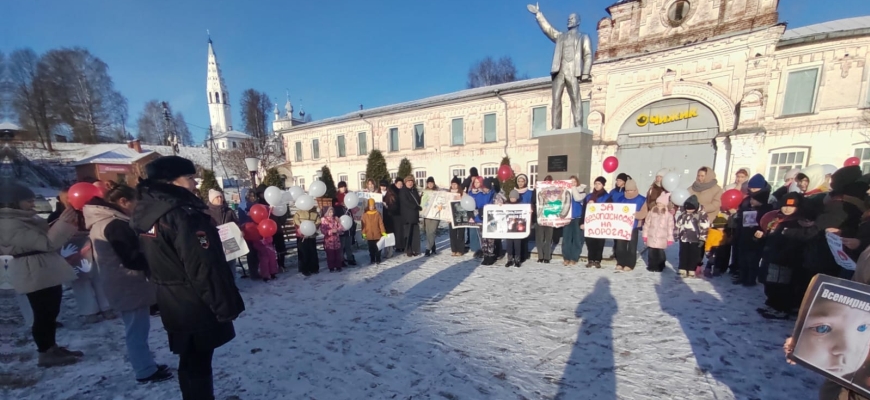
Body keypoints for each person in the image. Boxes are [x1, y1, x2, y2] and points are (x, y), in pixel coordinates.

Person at [130, 156, 244, 400]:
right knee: (198, 362)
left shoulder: (147, 211)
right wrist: (224, 305)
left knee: (191, 359)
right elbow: (203, 266)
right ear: (171, 182)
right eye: (190, 178)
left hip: (172, 298)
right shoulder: (182, 215)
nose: (195, 184)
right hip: (194, 301)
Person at [83, 182, 171, 383]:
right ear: (123, 201)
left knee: (137, 328)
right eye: (135, 202)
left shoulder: (103, 221)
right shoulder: (115, 224)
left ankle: (146, 364)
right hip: (128, 282)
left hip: (121, 281)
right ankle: (145, 370)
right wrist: (155, 259)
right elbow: (131, 258)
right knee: (136, 330)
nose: (137, 207)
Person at [3, 181, 83, 367]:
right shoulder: (8, 224)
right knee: (42, 313)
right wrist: (63, 223)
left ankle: (52, 347)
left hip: (42, 267)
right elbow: (46, 243)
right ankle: (45, 352)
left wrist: (62, 224)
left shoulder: (25, 219)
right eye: (28, 201)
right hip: (32, 269)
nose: (33, 203)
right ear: (13, 202)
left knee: (51, 311)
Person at [756, 193, 817, 319]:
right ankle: (772, 303)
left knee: (782, 286)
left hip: (786, 260)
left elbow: (798, 241)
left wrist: (784, 254)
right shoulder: (776, 219)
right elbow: (771, 236)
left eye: (791, 206)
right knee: (771, 283)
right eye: (785, 206)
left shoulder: (800, 222)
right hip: (772, 256)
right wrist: (763, 236)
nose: (787, 209)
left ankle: (781, 308)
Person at [735, 174, 775, 286]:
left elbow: (770, 218)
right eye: (751, 188)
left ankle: (751, 279)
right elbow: (741, 212)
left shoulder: (769, 201)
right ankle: (742, 276)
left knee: (752, 259)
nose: (752, 190)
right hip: (744, 233)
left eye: (755, 188)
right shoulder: (747, 200)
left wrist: (762, 230)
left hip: (757, 235)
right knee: (742, 258)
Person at [614, 179, 646, 271]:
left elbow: (644, 213)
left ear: (635, 189)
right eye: (627, 190)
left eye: (631, 190)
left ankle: (630, 264)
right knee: (620, 245)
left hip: (634, 225)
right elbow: (616, 210)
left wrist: (634, 214)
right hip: (622, 225)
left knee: (632, 246)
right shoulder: (621, 199)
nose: (629, 192)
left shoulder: (642, 199)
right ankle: (620, 262)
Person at [674, 195, 709, 278]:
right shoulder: (683, 214)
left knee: (693, 255)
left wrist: (702, 238)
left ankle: (691, 269)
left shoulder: (701, 215)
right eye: (687, 209)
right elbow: (677, 225)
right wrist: (676, 235)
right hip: (684, 238)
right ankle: (682, 268)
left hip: (695, 239)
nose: (688, 211)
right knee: (683, 254)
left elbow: (705, 227)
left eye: (691, 209)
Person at [581, 177, 609, 268]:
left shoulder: (607, 197)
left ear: (603, 185)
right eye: (596, 183)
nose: (597, 185)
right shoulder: (589, 196)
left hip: (601, 223)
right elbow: (584, 210)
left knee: (599, 243)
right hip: (590, 222)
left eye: (599, 184)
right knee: (590, 242)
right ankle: (590, 259)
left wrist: (596, 205)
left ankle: (597, 260)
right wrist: (582, 222)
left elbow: (609, 210)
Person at [643, 192, 674, 272]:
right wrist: (645, 235)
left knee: (660, 253)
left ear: (665, 204)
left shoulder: (668, 215)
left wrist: (670, 238)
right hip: (651, 236)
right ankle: (652, 266)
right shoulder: (651, 212)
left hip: (662, 238)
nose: (659, 204)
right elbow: (647, 224)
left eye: (661, 203)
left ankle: (660, 265)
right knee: (651, 253)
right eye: (658, 203)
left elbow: (670, 228)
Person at [562, 176, 587, 266]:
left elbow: (577, 198)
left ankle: (574, 258)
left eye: (574, 182)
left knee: (577, 239)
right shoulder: (565, 191)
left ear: (577, 183)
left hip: (577, 218)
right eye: (570, 181)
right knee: (566, 239)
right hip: (567, 218)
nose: (572, 183)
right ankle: (566, 257)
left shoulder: (582, 192)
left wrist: (573, 188)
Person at [480, 178, 505, 266]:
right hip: (482, 219)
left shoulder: (495, 195)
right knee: (483, 239)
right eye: (484, 187)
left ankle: (491, 255)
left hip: (492, 219)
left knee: (490, 239)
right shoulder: (481, 194)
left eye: (486, 187)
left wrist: (499, 204)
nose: (485, 189)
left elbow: (500, 205)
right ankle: (485, 255)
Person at [293, 203, 321, 276]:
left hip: (312, 236)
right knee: (304, 253)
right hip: (302, 237)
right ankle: (304, 269)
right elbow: (296, 222)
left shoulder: (315, 213)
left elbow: (318, 222)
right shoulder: (299, 213)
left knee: (313, 252)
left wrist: (313, 228)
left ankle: (314, 268)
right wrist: (302, 231)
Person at [334, 181, 357, 266]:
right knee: (341, 244)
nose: (343, 188)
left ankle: (350, 258)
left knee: (348, 243)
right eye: (341, 187)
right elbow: (334, 210)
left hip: (349, 222)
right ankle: (341, 259)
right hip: (341, 223)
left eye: (344, 187)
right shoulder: (336, 198)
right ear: (339, 188)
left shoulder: (348, 195)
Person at [535, 175, 556, 263]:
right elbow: (533, 201)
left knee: (548, 238)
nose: (547, 183)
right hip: (540, 217)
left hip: (550, 217)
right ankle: (540, 256)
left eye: (549, 181)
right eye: (546, 181)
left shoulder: (555, 192)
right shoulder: (537, 191)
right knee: (539, 238)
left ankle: (547, 257)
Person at [400, 175, 422, 256]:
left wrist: (421, 197)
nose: (410, 183)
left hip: (415, 215)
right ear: (405, 182)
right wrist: (415, 206)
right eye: (408, 181)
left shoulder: (414, 190)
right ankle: (408, 249)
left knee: (415, 234)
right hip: (407, 216)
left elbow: (417, 201)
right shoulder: (403, 191)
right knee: (408, 234)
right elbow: (405, 201)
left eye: (411, 181)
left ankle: (415, 249)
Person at [360, 199, 387, 265]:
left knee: (378, 247)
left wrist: (383, 232)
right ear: (368, 206)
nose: (371, 207)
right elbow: (363, 225)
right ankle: (372, 259)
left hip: (377, 234)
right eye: (370, 206)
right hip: (369, 235)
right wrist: (363, 234)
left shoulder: (377, 214)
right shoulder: (365, 215)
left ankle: (378, 259)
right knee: (371, 248)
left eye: (373, 206)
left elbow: (381, 224)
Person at [515, 174, 535, 262]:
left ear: (525, 182)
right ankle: (517, 254)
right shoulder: (514, 191)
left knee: (524, 236)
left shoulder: (529, 192)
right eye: (519, 181)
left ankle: (524, 254)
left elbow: (532, 203)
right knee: (516, 237)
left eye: (522, 181)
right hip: (516, 217)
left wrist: (531, 209)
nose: (520, 183)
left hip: (526, 217)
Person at [505, 189, 526, 268]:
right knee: (509, 245)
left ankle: (517, 260)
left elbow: (525, 213)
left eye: (514, 197)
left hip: (517, 229)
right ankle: (509, 260)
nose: (512, 199)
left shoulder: (521, 205)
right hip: (509, 229)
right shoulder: (506, 204)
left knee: (517, 245)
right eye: (511, 197)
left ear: (517, 198)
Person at [320, 206, 343, 272]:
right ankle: (331, 267)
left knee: (337, 253)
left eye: (332, 212)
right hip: (329, 240)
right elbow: (323, 230)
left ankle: (338, 266)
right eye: (330, 212)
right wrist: (330, 231)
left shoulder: (335, 219)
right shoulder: (323, 220)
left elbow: (340, 227)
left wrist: (337, 230)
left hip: (336, 239)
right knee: (330, 254)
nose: (331, 213)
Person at [385, 178, 405, 255]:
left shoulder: (403, 191)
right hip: (394, 213)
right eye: (399, 184)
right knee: (397, 230)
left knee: (402, 230)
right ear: (395, 184)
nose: (400, 185)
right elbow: (388, 201)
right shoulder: (392, 191)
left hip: (402, 213)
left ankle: (402, 245)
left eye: (401, 184)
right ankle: (398, 246)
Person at [378, 179, 397, 259]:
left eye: (384, 186)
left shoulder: (390, 194)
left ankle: (390, 251)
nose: (383, 187)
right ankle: (384, 251)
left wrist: (388, 206)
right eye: (382, 186)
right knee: (383, 234)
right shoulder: (377, 194)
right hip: (380, 217)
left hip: (389, 217)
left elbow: (394, 206)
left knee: (389, 234)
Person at [447, 177, 466, 256]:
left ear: (458, 185)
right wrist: (447, 216)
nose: (454, 186)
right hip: (451, 216)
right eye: (452, 184)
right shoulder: (448, 194)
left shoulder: (462, 193)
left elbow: (466, 202)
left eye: (455, 184)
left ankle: (460, 250)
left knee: (460, 233)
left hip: (460, 216)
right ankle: (454, 249)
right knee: (452, 234)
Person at [422, 177, 440, 256]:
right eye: (428, 183)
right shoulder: (424, 192)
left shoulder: (438, 192)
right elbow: (422, 203)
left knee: (433, 231)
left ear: (434, 183)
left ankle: (428, 249)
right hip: (427, 214)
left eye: (431, 183)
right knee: (428, 232)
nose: (430, 184)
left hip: (436, 214)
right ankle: (433, 247)